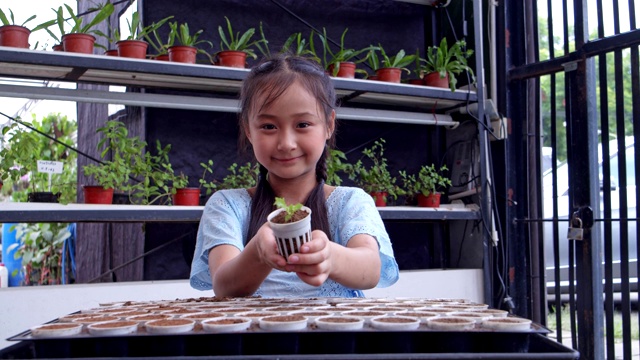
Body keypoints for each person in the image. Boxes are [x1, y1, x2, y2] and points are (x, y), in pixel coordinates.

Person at [190, 54, 399, 298]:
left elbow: (370, 270)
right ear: (248, 129)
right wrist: (258, 251)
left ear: (329, 125)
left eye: (302, 124)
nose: (286, 143)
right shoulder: (228, 206)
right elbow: (224, 287)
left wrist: (330, 257)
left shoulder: (350, 202)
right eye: (269, 126)